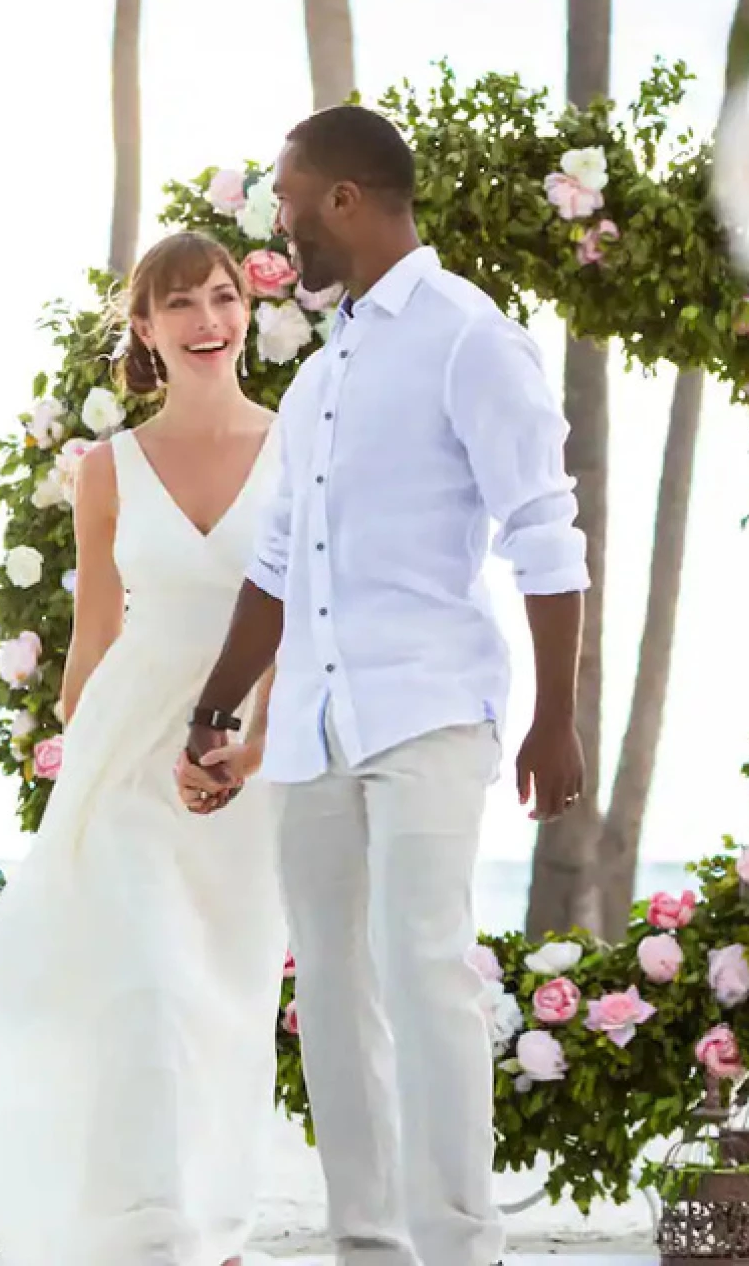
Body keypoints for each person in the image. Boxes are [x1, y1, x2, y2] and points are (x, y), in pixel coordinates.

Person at [177, 105, 589, 1266]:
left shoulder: (469, 336)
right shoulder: (317, 379)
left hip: (427, 710)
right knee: (334, 995)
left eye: (292, 202)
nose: (283, 225)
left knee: (423, 970)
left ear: (346, 200)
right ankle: (368, 1243)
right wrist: (216, 709)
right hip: (309, 729)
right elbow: (274, 563)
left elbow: (543, 533)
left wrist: (555, 715)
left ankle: (462, 1249)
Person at [0, 231, 287, 1265]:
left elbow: (314, 611)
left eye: (222, 297)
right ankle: (152, 1236)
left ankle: (211, 1223)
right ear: (143, 327)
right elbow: (94, 639)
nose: (205, 321)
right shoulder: (106, 467)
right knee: (147, 983)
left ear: (248, 312)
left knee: (221, 1001)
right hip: (130, 749)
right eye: (178, 304)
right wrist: (73, 761)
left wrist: (257, 741)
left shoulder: (300, 445)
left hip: (253, 753)